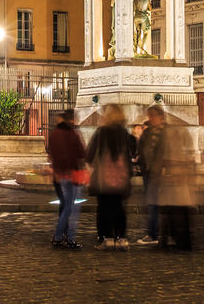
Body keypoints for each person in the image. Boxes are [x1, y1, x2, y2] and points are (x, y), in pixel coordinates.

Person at [85, 103, 134, 250]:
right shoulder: (125, 133)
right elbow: (132, 152)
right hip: (121, 177)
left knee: (104, 208)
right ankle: (121, 238)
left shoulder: (101, 132)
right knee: (119, 208)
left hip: (103, 178)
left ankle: (106, 238)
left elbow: (89, 154)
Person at [46, 109, 87, 249]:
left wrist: (56, 169)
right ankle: (69, 238)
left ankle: (58, 237)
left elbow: (51, 152)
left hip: (61, 174)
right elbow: (82, 152)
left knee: (66, 207)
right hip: (74, 173)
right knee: (72, 209)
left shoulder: (54, 134)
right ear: (71, 119)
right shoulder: (73, 133)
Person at [157, 111, 196, 250]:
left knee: (176, 209)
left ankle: (178, 240)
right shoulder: (172, 132)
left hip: (176, 177)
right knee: (174, 209)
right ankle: (175, 238)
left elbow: (187, 154)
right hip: (174, 177)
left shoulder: (172, 133)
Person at [135, 106, 166, 245]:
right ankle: (153, 233)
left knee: (161, 204)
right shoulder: (147, 134)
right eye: (149, 116)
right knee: (152, 204)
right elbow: (141, 151)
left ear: (161, 116)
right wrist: (143, 166)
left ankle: (158, 234)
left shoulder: (167, 133)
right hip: (149, 173)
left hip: (162, 174)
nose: (151, 118)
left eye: (153, 115)